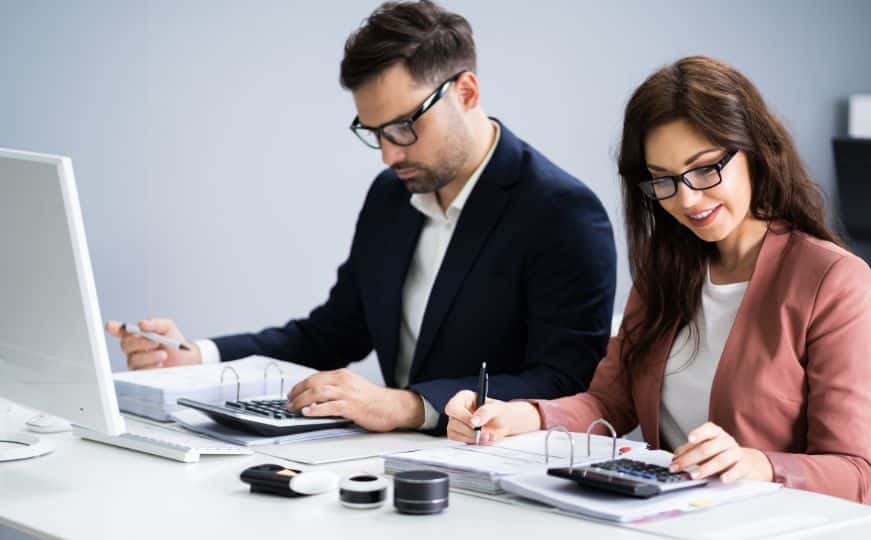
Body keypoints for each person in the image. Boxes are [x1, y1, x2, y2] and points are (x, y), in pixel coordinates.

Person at [106, 0, 616, 436]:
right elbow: (330, 334)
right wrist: (198, 356)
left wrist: (409, 405)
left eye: (403, 127)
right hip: (390, 466)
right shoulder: (391, 196)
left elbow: (563, 382)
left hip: (500, 478)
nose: (388, 156)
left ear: (466, 92)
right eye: (373, 132)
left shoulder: (561, 212)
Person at [445, 55, 871, 507]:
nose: (687, 199)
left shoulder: (832, 279)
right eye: (664, 180)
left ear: (754, 150)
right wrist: (519, 415)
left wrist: (757, 464)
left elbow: (851, 470)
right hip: (697, 518)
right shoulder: (669, 270)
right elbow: (609, 403)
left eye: (704, 168)